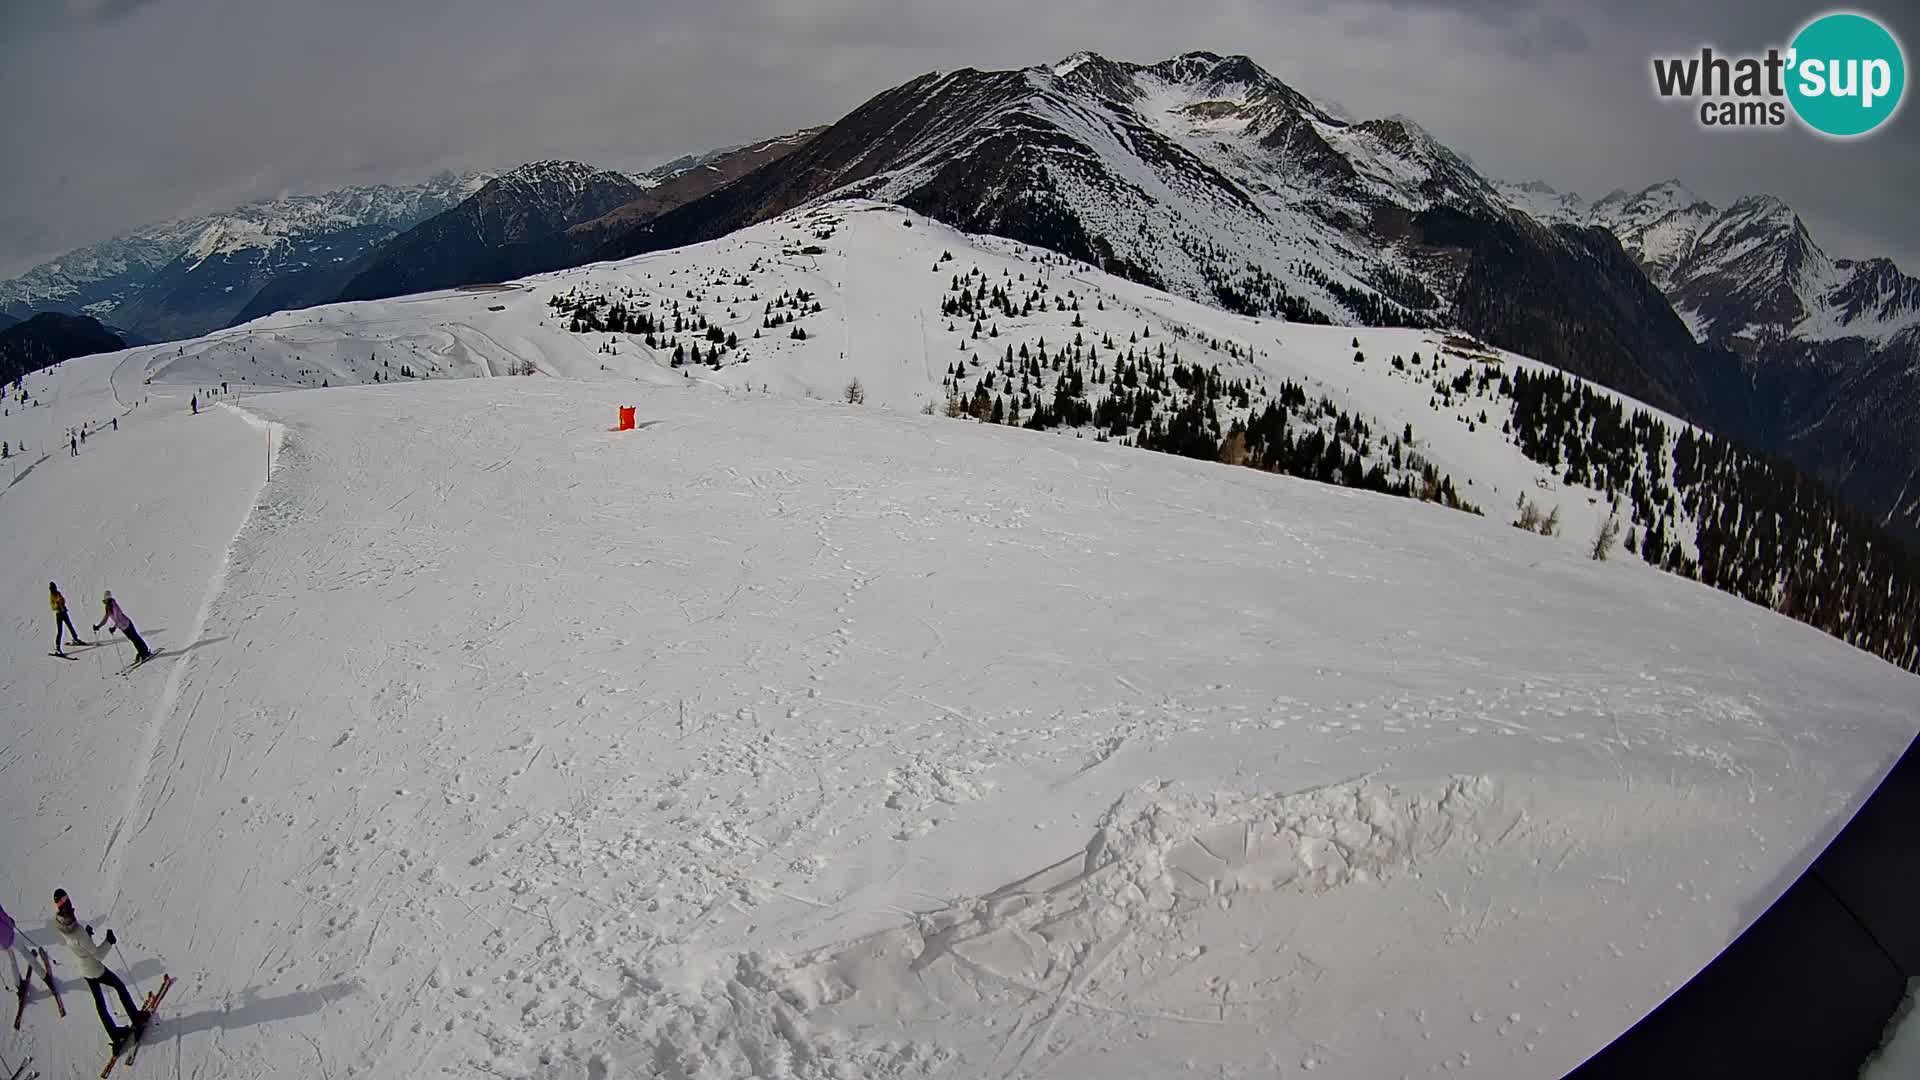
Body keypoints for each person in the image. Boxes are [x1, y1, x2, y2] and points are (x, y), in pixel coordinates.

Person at [51, 889, 147, 1053]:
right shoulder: (78, 932)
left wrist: (86, 936)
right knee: (119, 986)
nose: (70, 903)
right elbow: (98, 954)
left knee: (99, 1003)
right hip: (94, 967)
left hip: (84, 968)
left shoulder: (60, 924)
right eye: (67, 901)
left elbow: (76, 943)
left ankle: (115, 1035)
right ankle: (136, 1018)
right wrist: (109, 941)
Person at [94, 591, 152, 663]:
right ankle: (141, 652)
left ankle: (145, 652)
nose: (107, 601)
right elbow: (105, 618)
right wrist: (98, 626)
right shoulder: (108, 607)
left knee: (136, 637)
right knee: (133, 640)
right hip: (123, 628)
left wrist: (114, 627)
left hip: (127, 624)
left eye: (108, 599)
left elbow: (118, 617)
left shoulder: (114, 606)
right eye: (106, 600)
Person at [50, 582, 86, 655]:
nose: (53, 589)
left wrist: (61, 600)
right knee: (60, 631)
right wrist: (56, 604)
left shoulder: (58, 593)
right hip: (59, 614)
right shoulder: (52, 596)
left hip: (64, 613)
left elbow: (64, 600)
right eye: (52, 588)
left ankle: (75, 639)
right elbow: (52, 607)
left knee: (70, 626)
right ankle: (57, 647)